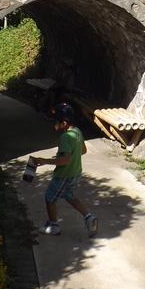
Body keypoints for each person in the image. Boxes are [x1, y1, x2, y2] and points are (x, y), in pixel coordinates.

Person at [32, 102, 99, 237]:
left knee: (50, 198)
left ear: (64, 123)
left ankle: (53, 226)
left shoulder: (65, 137)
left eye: (56, 121)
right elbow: (83, 150)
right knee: (69, 196)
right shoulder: (77, 132)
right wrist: (71, 154)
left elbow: (64, 161)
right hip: (76, 172)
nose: (54, 124)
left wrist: (43, 161)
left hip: (64, 174)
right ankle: (89, 218)